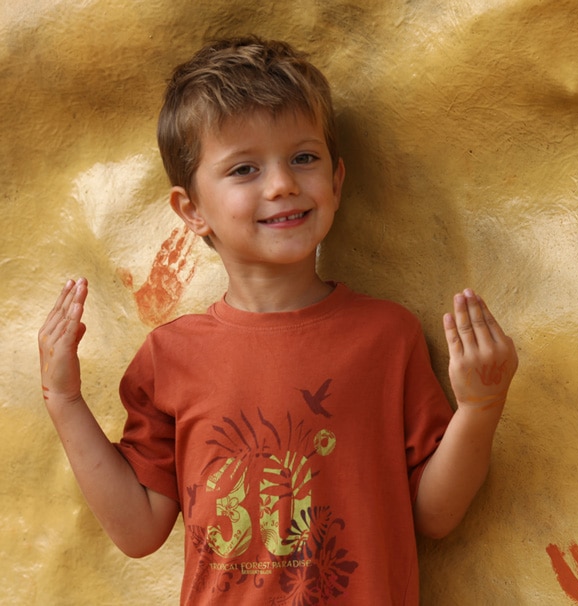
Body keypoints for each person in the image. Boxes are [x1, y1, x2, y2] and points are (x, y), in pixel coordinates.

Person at [38, 36, 517, 605]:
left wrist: (481, 408)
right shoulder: (170, 358)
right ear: (191, 211)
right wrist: (64, 401)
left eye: (303, 157)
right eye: (244, 168)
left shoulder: (387, 336)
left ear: (336, 180)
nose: (282, 183)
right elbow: (139, 530)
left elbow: (433, 515)